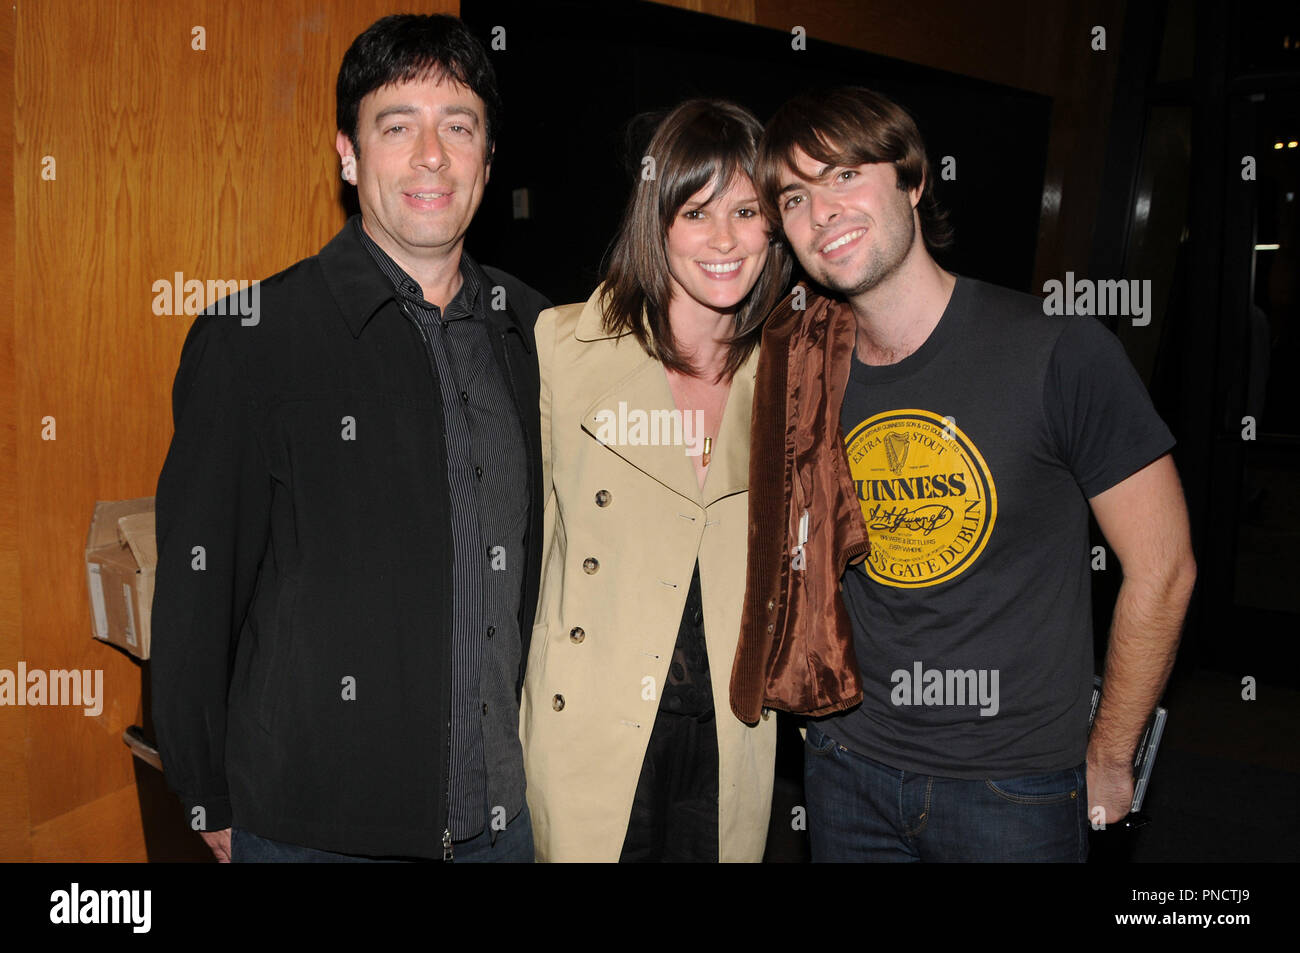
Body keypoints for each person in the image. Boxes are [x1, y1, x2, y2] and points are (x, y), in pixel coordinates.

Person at [731, 86, 1196, 862]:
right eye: (797, 196)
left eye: (847, 174)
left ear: (913, 181)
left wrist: (1110, 756)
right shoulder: (804, 367)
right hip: (845, 766)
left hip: (1014, 787)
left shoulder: (1058, 351)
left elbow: (1165, 568)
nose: (825, 211)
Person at [150, 14, 549, 863]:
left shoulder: (537, 333)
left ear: (486, 157)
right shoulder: (255, 337)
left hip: (507, 821)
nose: (431, 156)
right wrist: (203, 792)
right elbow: (196, 590)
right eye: (397, 126)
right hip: (315, 828)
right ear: (348, 153)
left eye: (459, 126)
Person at [521, 99, 790, 862]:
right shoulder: (566, 348)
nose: (726, 239)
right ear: (656, 217)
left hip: (729, 736)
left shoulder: (790, 374)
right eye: (696, 210)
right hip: (595, 728)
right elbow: (524, 545)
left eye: (747, 210)